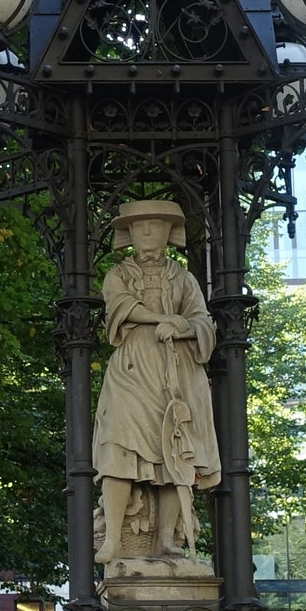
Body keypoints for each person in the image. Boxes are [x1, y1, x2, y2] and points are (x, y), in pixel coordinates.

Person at [93, 200, 221, 564]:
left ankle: (167, 539)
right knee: (117, 446)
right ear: (129, 234)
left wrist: (181, 327)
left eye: (155, 226)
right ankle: (113, 540)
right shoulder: (118, 274)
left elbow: (203, 323)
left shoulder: (183, 278)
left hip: (176, 375)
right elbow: (120, 307)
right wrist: (164, 318)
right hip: (132, 369)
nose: (147, 233)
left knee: (174, 456)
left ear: (169, 233)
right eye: (140, 227)